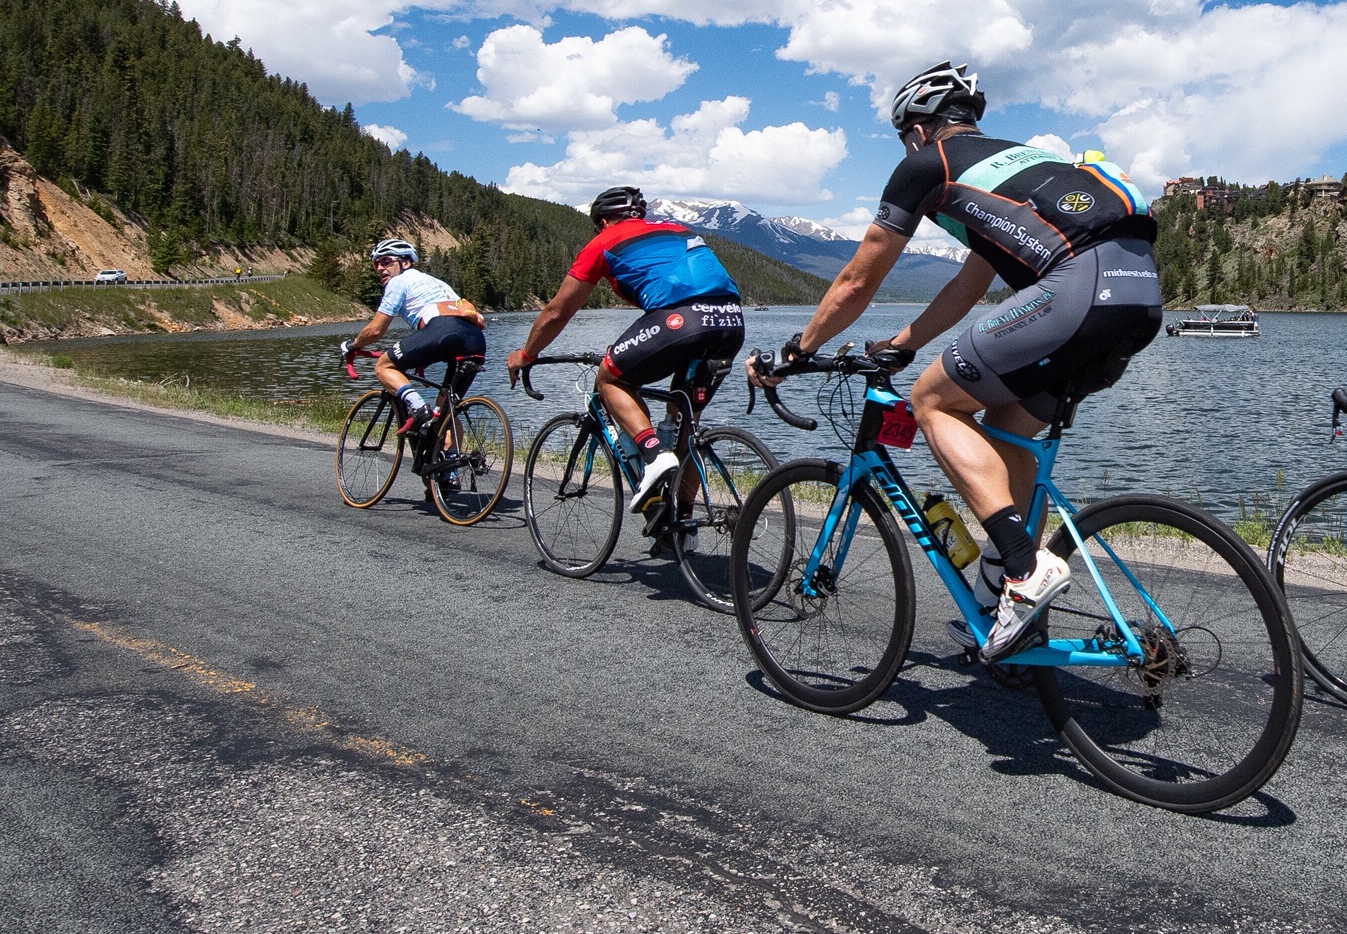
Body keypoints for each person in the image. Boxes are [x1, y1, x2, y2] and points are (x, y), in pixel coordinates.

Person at [750, 61, 1162, 659]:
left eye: (902, 137)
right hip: (1139, 297)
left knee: (929, 399)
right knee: (1004, 431)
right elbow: (971, 285)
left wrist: (798, 350)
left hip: (1079, 289)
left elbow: (857, 279)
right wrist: (905, 343)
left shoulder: (928, 165)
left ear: (917, 129)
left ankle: (1024, 570)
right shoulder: (1021, 164)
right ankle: (1008, 610)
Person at [506, 186, 744, 515]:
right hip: (730, 321)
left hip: (681, 320)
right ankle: (681, 522)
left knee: (611, 380)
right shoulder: (677, 229)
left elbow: (556, 313)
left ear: (603, 221)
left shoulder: (603, 241)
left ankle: (654, 455)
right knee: (686, 421)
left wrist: (527, 354)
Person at [343, 238, 487, 442]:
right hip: (475, 340)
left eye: (385, 261)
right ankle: (451, 469)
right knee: (445, 413)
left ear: (405, 263)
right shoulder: (436, 282)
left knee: (384, 366)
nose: (379, 268)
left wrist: (353, 345)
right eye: (376, 264)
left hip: (443, 330)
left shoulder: (399, 281)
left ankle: (418, 407)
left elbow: (376, 330)